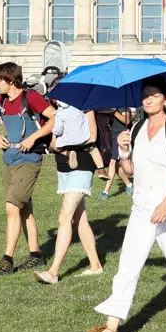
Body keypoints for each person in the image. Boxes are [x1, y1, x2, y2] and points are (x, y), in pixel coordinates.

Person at [83, 77, 166, 332]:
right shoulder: (137, 128)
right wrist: (125, 151)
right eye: (145, 95)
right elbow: (130, 171)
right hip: (141, 206)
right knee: (127, 266)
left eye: (154, 95)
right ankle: (110, 328)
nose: (148, 100)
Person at [0, 63, 55, 275]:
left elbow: (54, 117)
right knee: (24, 209)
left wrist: (33, 137)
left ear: (11, 80)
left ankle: (7, 260)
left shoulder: (31, 97)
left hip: (29, 159)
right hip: (9, 159)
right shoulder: (1, 100)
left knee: (12, 207)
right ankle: (35, 254)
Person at [36, 99, 105, 284]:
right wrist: (58, 145)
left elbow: (92, 137)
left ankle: (53, 272)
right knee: (79, 218)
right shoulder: (59, 112)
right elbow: (53, 143)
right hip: (64, 166)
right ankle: (96, 265)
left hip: (82, 164)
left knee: (64, 218)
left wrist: (69, 143)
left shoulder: (86, 107)